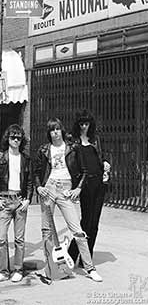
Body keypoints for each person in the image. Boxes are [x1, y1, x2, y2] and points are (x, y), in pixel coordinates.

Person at [33, 117, 103, 283]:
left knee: (77, 230)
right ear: (49, 133)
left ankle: (89, 267)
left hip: (65, 190)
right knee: (46, 230)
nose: (55, 133)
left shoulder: (72, 148)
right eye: (52, 130)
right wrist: (38, 187)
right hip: (49, 189)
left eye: (57, 129)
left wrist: (77, 189)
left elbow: (84, 170)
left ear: (61, 130)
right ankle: (49, 264)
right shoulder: (44, 149)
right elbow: (36, 171)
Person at [0, 124, 33, 283]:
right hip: (4, 199)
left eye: (19, 138)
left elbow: (29, 181)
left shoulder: (25, 158)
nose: (16, 140)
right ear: (7, 138)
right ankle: (3, 271)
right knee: (1, 239)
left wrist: (28, 198)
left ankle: (18, 270)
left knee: (19, 239)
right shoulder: (0, 156)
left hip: (20, 200)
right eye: (13, 137)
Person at [68, 110, 111, 266]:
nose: (84, 127)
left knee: (95, 223)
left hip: (99, 184)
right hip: (84, 185)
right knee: (86, 222)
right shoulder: (74, 142)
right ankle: (72, 255)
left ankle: (87, 258)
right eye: (81, 124)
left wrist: (106, 163)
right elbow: (72, 164)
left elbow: (103, 156)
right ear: (77, 124)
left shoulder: (96, 140)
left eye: (87, 123)